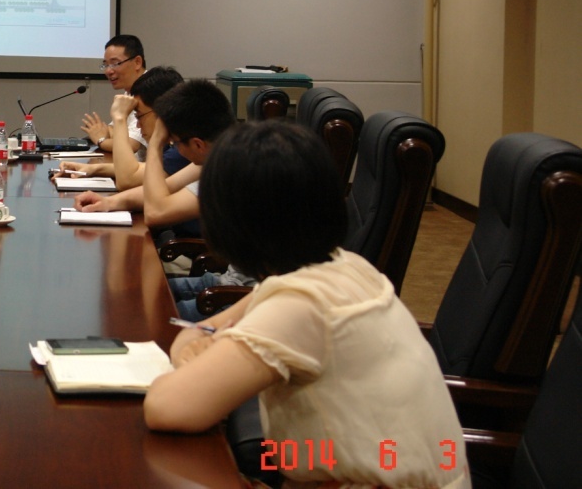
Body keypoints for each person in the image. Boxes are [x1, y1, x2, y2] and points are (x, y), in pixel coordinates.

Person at [144, 121, 469, 489]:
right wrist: (198, 341)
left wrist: (194, 350)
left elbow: (165, 407)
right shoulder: (346, 266)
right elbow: (202, 330)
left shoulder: (300, 304)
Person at [74, 79, 235, 233]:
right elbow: (165, 188)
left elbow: (155, 213)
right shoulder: (214, 157)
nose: (175, 147)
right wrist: (109, 202)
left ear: (198, 145)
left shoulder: (228, 170)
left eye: (175, 142)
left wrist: (156, 142)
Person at [56, 66, 188, 188]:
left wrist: (120, 117)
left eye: (139, 116)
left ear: (162, 111)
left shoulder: (183, 150)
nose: (138, 125)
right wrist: (92, 169)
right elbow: (145, 168)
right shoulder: (172, 144)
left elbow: (126, 180)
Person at [80, 34, 146, 157]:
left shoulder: (149, 90)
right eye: (105, 65)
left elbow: (131, 144)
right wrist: (102, 132)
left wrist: (101, 140)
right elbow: (112, 131)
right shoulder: (131, 90)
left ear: (137, 62)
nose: (108, 71)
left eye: (115, 64)